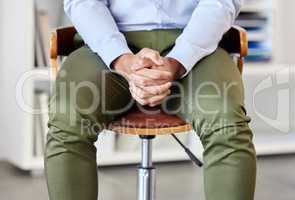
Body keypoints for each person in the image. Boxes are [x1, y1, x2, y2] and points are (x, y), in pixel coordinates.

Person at [45, 0, 256, 200]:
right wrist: (122, 59)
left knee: (227, 122)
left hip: (196, 41)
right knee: (67, 116)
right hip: (109, 40)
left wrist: (178, 60)